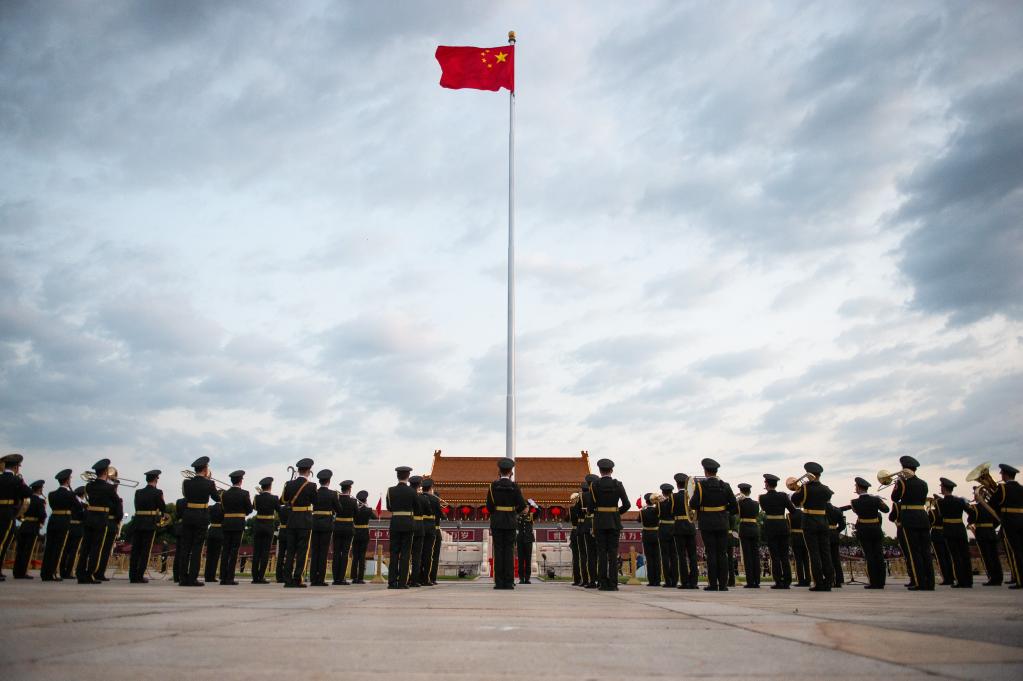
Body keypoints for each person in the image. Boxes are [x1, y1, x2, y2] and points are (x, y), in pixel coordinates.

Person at [690, 458, 738, 591]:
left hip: (707, 523)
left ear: (705, 472)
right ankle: (723, 584)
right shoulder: (725, 486)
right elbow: (734, 507)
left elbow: (693, 504)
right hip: (723, 523)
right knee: (722, 553)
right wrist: (723, 512)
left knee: (711, 553)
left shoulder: (700, 486)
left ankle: (713, 584)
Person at [890, 455, 934, 591]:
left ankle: (919, 581)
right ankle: (930, 581)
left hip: (909, 518)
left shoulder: (903, 483)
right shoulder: (923, 483)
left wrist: (899, 483)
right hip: (922, 517)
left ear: (904, 468)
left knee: (914, 552)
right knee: (926, 551)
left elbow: (894, 498)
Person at [587, 458, 630, 591]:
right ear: (611, 470)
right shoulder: (618, 485)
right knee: (612, 553)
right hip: (614, 523)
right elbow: (627, 504)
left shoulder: (594, 485)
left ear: (600, 471)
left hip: (600, 523)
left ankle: (603, 583)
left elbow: (590, 507)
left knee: (601, 553)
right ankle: (613, 583)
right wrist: (616, 513)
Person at [791, 462, 834, 592]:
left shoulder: (805, 488)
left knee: (814, 553)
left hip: (810, 521)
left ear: (809, 474)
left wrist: (799, 487)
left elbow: (795, 500)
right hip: (823, 521)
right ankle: (829, 581)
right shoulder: (826, 489)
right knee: (826, 553)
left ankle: (819, 582)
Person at [77, 459, 120, 584]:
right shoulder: (109, 488)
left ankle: (80, 573)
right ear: (106, 471)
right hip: (101, 519)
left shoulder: (89, 486)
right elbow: (116, 503)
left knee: (85, 547)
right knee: (97, 548)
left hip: (89, 518)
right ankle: (90, 573)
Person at [178, 456, 220, 587]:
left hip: (188, 515)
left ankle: (182, 578)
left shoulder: (186, 483)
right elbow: (216, 498)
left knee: (185, 547)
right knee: (197, 548)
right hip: (201, 516)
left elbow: (186, 496)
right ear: (205, 469)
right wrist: (209, 482)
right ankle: (192, 578)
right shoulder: (209, 483)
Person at [486, 457, 527, 590]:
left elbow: (489, 506)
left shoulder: (492, 486)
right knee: (509, 551)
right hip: (510, 521)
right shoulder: (515, 487)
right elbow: (521, 506)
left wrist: (497, 511)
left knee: (498, 551)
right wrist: (516, 511)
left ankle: (499, 582)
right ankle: (509, 582)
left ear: (499, 471)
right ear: (511, 472)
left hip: (497, 521)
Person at [280, 458, 317, 587]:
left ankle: (287, 579)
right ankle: (297, 578)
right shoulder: (311, 485)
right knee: (302, 551)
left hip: (292, 520)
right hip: (305, 521)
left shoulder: (288, 484)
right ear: (308, 471)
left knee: (290, 550)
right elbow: (315, 501)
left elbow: (284, 499)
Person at [985, 463, 1022, 589]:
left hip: (1009, 521)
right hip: (1021, 520)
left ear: (1005, 475)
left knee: (1014, 551)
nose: (1001, 475)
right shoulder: (1021, 488)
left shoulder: (1002, 488)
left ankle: (1019, 579)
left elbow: (992, 503)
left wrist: (981, 499)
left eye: (1001, 473)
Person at [849, 476, 888, 589]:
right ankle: (881, 581)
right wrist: (878, 500)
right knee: (879, 555)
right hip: (876, 528)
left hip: (864, 530)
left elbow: (856, 511)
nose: (855, 488)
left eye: (856, 486)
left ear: (859, 488)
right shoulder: (875, 499)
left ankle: (874, 581)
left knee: (869, 556)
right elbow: (886, 510)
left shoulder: (854, 502)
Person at [129, 469, 166, 583]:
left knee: (135, 549)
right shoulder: (158, 492)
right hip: (149, 523)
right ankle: (139, 575)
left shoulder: (138, 492)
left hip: (138, 522)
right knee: (145, 550)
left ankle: (132, 575)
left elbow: (136, 507)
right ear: (156, 479)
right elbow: (163, 508)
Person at [0, 454, 33, 582]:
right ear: (15, 467)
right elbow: (28, 493)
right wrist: (21, 481)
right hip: (7, 512)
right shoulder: (16, 480)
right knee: (3, 541)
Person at [759, 473, 795, 589]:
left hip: (771, 527)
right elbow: (792, 510)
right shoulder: (783, 496)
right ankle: (788, 580)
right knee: (784, 556)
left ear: (767, 484)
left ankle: (778, 581)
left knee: (775, 556)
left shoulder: (763, 498)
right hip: (783, 526)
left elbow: (764, 509)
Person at [937, 478, 974, 588]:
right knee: (965, 555)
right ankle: (969, 580)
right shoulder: (960, 501)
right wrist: (969, 522)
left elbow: (940, 515)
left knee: (955, 556)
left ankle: (961, 580)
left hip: (949, 529)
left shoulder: (940, 502)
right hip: (960, 528)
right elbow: (972, 513)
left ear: (943, 488)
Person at [41, 469, 76, 581]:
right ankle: (53, 572)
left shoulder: (52, 494)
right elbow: (77, 507)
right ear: (67, 480)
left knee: (49, 547)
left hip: (53, 520)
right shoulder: (70, 494)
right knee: (59, 548)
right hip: (64, 520)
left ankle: (45, 572)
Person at [219, 470, 253, 586]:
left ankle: (223, 577)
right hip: (238, 523)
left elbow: (223, 508)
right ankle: (230, 577)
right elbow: (249, 509)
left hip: (227, 523)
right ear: (240, 481)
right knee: (234, 551)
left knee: (225, 550)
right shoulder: (244, 493)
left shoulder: (224, 494)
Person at [386, 466, 416, 589]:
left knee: (394, 553)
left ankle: (392, 581)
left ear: (397, 476)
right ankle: (402, 582)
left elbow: (389, 507)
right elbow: (417, 507)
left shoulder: (390, 490)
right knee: (405, 554)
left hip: (395, 523)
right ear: (408, 477)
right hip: (408, 523)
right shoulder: (412, 491)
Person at [309, 469, 339, 586]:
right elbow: (339, 509)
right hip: (326, 524)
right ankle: (320, 579)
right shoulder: (332, 494)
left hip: (315, 523)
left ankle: (313, 578)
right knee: (323, 552)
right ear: (329, 481)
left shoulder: (315, 492)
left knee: (315, 551)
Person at [13, 479, 46, 578]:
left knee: (20, 550)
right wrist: (41, 521)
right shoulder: (40, 501)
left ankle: (16, 571)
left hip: (24, 525)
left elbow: (19, 513)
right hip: (33, 526)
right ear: (39, 489)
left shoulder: (26, 500)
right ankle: (23, 572)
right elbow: (42, 514)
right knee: (28, 550)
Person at [970, 486, 1002, 586]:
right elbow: (997, 519)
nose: (975, 496)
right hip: (991, 532)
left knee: (987, 557)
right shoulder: (991, 506)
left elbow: (971, 520)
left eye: (976, 494)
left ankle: (992, 578)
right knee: (994, 556)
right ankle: (998, 577)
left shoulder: (975, 507)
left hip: (982, 533)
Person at [673, 472, 698, 589]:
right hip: (691, 526)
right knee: (693, 555)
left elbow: (671, 512)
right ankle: (694, 581)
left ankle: (684, 581)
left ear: (677, 485)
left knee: (682, 555)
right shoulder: (691, 496)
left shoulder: (674, 497)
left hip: (679, 527)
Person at [250, 477, 278, 584]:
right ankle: (261, 576)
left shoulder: (257, 498)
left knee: (256, 552)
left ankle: (255, 576)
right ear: (270, 486)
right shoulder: (274, 498)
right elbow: (278, 509)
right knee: (265, 552)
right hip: (268, 526)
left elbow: (255, 508)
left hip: (258, 525)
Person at [332, 479, 357, 585]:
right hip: (348, 529)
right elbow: (356, 513)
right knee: (345, 553)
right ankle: (341, 578)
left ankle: (335, 578)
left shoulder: (336, 499)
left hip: (337, 527)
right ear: (350, 489)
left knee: (336, 553)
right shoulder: (352, 501)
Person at [736, 483, 760, 588]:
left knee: (747, 556)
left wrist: (736, 499)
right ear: (749, 492)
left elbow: (734, 511)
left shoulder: (740, 503)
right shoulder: (756, 503)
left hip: (745, 528)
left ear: (741, 492)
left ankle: (750, 581)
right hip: (754, 528)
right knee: (755, 555)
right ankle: (757, 580)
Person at [60, 486, 87, 580]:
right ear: (83, 494)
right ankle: (69, 571)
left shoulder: (71, 502)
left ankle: (61, 570)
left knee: (65, 550)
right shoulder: (83, 505)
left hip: (68, 527)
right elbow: (85, 516)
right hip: (78, 528)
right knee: (74, 551)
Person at [656, 483, 678, 588]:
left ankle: (668, 580)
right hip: (674, 528)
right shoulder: (675, 502)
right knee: (674, 555)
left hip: (663, 528)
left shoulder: (660, 503)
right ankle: (675, 579)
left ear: (663, 492)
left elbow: (657, 514)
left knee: (665, 556)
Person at [351, 490, 376, 584]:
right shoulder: (368, 510)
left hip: (355, 533)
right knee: (362, 556)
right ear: (365, 500)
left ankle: (354, 577)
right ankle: (360, 578)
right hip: (364, 534)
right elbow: (375, 517)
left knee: (355, 556)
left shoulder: (355, 509)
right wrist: (368, 507)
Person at [422, 478, 442, 586]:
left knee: (421, 554)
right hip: (434, 530)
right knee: (433, 556)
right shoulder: (435, 501)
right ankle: (431, 577)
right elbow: (442, 515)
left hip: (422, 528)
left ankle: (421, 576)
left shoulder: (420, 498)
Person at [929, 499, 954, 586]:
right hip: (946, 533)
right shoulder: (947, 512)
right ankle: (951, 576)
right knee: (948, 557)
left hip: (936, 534)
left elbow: (929, 523)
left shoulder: (932, 512)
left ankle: (946, 578)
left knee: (940, 558)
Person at [581, 473, 599, 588]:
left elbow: (581, 512)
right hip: (599, 522)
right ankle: (601, 579)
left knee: (590, 555)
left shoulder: (583, 496)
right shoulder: (600, 492)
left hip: (588, 524)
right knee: (601, 553)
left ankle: (592, 580)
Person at [408, 475, 426, 587]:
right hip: (419, 527)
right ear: (419, 485)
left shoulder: (405, 496)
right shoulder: (422, 498)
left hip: (407, 524)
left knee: (405, 553)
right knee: (416, 555)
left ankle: (404, 578)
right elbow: (427, 511)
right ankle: (414, 579)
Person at [640, 492, 661, 586]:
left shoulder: (642, 511)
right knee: (657, 558)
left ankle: (651, 580)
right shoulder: (657, 511)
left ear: (646, 502)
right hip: (656, 534)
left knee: (649, 558)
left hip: (647, 535)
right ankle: (658, 579)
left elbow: (638, 520)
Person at [789, 505, 810, 586]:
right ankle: (808, 579)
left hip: (795, 538)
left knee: (798, 561)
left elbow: (789, 527)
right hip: (805, 538)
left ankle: (801, 580)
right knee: (806, 561)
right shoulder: (805, 513)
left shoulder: (790, 515)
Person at [826, 503, 846, 587]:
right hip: (834, 534)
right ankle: (839, 580)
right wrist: (836, 531)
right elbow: (843, 525)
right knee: (836, 559)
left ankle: (829, 579)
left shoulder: (821, 508)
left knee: (826, 558)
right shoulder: (837, 510)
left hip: (825, 534)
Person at [204, 499, 224, 583]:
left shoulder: (210, 508)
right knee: (215, 556)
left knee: (209, 555)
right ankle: (212, 576)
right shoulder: (224, 509)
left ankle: (207, 575)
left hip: (211, 530)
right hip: (219, 531)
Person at [516, 500, 537, 584]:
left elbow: (539, 511)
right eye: (524, 508)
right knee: (521, 560)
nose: (526, 509)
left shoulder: (531, 516)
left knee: (528, 560)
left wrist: (534, 504)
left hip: (528, 540)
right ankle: (521, 578)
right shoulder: (518, 517)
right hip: (520, 540)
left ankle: (527, 578)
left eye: (527, 507)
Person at [569, 491, 583, 586]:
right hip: (581, 531)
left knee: (576, 557)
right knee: (582, 557)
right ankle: (583, 578)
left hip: (574, 533)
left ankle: (577, 579)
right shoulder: (580, 508)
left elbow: (567, 518)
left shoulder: (571, 509)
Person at [172, 496, 186, 583]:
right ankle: (182, 575)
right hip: (187, 527)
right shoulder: (192, 501)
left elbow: (177, 515)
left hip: (179, 527)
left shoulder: (179, 501)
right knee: (185, 553)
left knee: (178, 553)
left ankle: (176, 576)